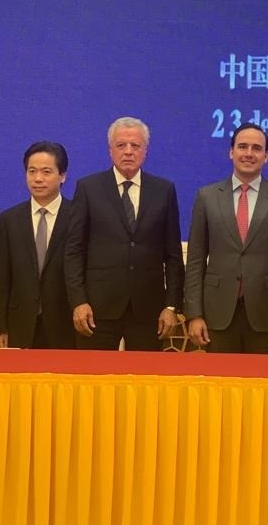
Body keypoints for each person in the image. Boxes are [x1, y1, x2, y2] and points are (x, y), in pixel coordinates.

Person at [64, 117, 184, 351]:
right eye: (121, 145)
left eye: (135, 145)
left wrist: (171, 306)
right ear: (110, 150)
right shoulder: (88, 188)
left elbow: (173, 255)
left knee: (144, 374)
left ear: (145, 151)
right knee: (94, 373)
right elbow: (74, 251)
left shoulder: (164, 190)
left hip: (148, 310)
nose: (128, 151)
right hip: (96, 309)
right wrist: (78, 301)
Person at [183, 124, 268, 353]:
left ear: (266, 156)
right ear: (231, 152)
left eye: (256, 148)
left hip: (267, 315)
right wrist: (194, 314)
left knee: (262, 377)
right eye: (242, 146)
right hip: (216, 313)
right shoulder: (207, 196)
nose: (249, 153)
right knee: (220, 377)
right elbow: (195, 260)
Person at [0, 141, 76, 349]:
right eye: (32, 171)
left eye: (46, 172)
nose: (38, 179)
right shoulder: (8, 220)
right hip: (20, 324)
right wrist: (2, 327)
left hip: (66, 323)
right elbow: (2, 277)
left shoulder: (78, 216)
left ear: (63, 176)